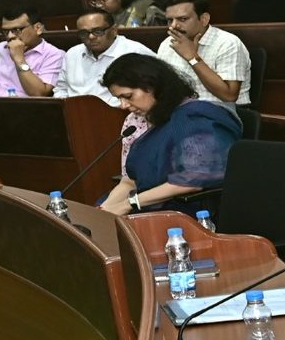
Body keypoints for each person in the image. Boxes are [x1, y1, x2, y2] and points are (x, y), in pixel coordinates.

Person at [99, 51, 241, 216]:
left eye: (128, 96)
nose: (123, 105)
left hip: (189, 212)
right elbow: (130, 182)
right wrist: (104, 210)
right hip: (147, 205)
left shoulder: (194, 119)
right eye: (119, 99)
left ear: (152, 86)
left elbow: (193, 179)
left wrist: (130, 203)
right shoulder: (153, 120)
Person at [157, 0, 250, 105]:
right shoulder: (167, 44)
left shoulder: (227, 43)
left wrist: (192, 57)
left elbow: (229, 96)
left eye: (183, 19)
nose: (173, 26)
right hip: (180, 109)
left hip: (221, 110)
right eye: (170, 20)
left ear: (204, 19)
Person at [56, 6, 154, 103]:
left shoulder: (136, 52)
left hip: (119, 111)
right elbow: (61, 89)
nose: (91, 37)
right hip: (75, 110)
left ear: (114, 30)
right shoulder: (72, 54)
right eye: (84, 33)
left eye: (98, 31)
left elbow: (154, 88)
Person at [0, 6, 64, 97]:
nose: (10, 36)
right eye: (6, 31)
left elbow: (39, 93)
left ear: (38, 28)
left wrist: (19, 59)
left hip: (20, 105)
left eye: (16, 30)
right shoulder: (1, 47)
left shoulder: (54, 55)